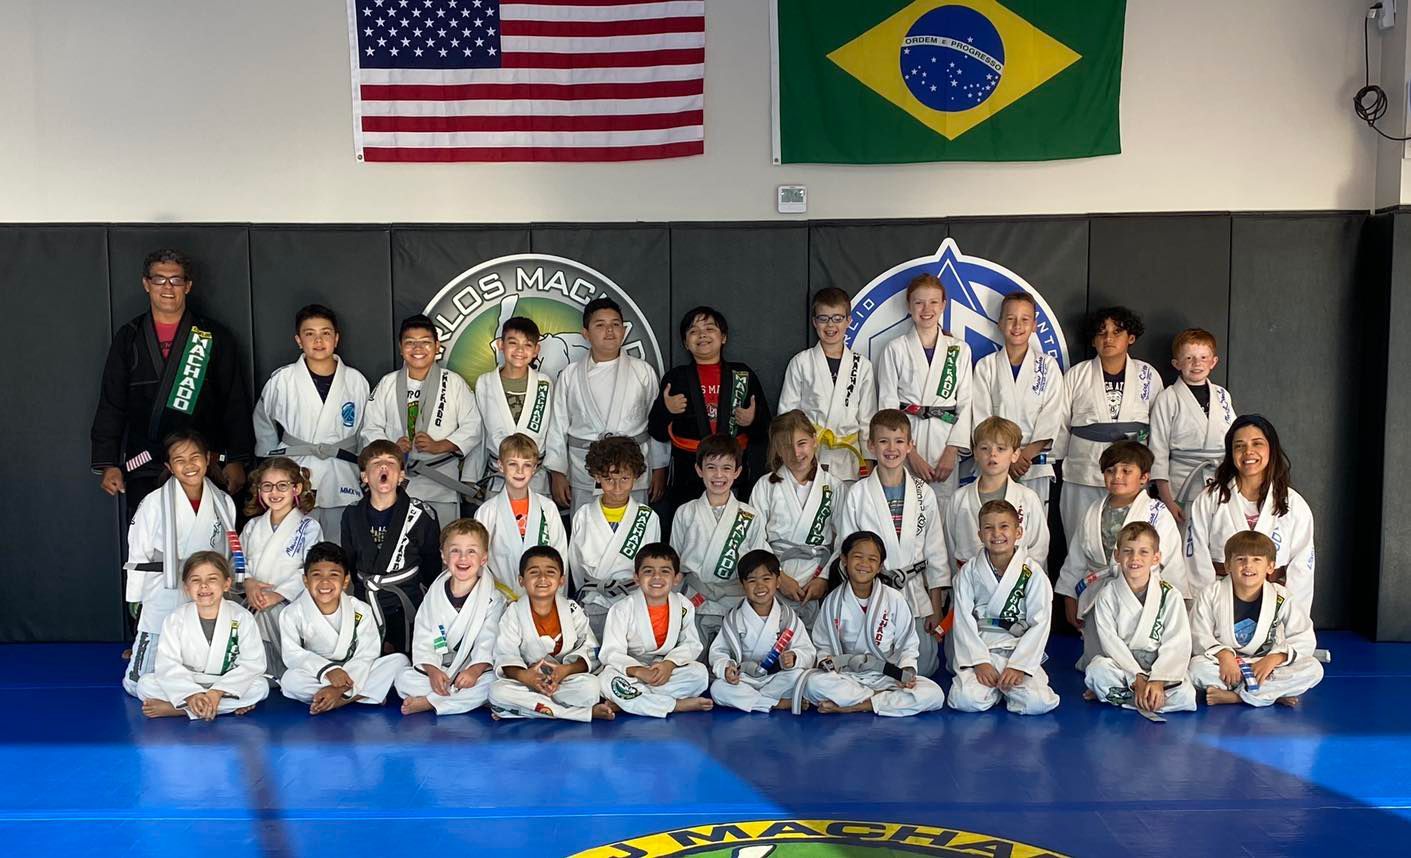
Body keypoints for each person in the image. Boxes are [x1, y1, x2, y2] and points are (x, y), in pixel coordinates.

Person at [92, 248, 253, 509]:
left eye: (176, 280)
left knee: (207, 533)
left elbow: (234, 402)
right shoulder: (129, 337)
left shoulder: (213, 336)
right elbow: (112, 403)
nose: (168, 287)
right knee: (149, 533)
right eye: (159, 279)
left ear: (187, 286)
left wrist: (237, 458)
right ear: (146, 284)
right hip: (146, 462)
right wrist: (107, 462)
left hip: (203, 462)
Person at [832, 409, 948, 677]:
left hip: (915, 594)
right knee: (872, 666)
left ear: (910, 446)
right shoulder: (858, 493)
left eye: (899, 441)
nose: (891, 448)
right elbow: (847, 550)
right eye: (883, 441)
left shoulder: (924, 493)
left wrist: (936, 608)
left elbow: (936, 554)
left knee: (923, 668)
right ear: (871, 446)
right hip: (873, 592)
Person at [122, 430, 237, 697]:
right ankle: (183, 697)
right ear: (169, 466)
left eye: (195, 457)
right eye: (179, 460)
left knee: (210, 664)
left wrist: (230, 586)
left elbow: (229, 552)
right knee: (139, 683)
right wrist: (135, 596)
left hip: (208, 588)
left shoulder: (223, 501)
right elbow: (138, 552)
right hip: (165, 584)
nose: (189, 465)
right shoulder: (153, 502)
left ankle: (191, 695)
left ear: (207, 459)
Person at [1056, 441, 1187, 670]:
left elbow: (1173, 564)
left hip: (1143, 594)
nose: (1117, 476)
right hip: (1099, 593)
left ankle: (1141, 674)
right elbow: (1076, 558)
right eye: (1110, 470)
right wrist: (1070, 597)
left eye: (1126, 471)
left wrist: (1176, 605)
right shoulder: (1092, 510)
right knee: (1099, 663)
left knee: (1145, 654)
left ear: (1144, 477)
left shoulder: (1158, 513)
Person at [253, 304, 370, 541]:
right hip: (296, 467)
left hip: (342, 471)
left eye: (325, 333)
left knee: (340, 545)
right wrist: (272, 465)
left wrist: (364, 467)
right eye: (310, 334)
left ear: (336, 338)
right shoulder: (282, 380)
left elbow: (367, 430)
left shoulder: (356, 381)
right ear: (299, 340)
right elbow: (263, 421)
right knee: (294, 544)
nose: (318, 340)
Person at [544, 297, 669, 515]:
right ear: (586, 333)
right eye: (600, 325)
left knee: (634, 527)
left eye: (615, 324)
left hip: (632, 470)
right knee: (586, 528)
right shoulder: (570, 375)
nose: (609, 331)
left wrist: (659, 469)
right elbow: (558, 426)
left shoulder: (643, 371)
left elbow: (656, 423)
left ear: (624, 330)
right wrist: (558, 473)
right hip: (585, 468)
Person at [804, 531, 946, 716]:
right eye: (858, 557)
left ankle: (856, 705)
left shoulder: (894, 599)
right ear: (844, 559)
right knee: (813, 684)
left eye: (872, 559)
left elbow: (908, 644)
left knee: (934, 694)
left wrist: (907, 670)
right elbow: (823, 645)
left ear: (880, 566)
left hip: (887, 675)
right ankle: (881, 700)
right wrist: (827, 661)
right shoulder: (832, 602)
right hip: (848, 676)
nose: (864, 564)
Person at [1184, 415, 1317, 612]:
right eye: (1239, 446)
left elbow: (1302, 566)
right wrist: (1205, 608)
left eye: (1257, 443)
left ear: (1271, 448)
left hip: (1274, 600)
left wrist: (1293, 615)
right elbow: (1196, 559)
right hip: (1220, 599)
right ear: (1231, 453)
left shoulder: (1293, 504)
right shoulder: (1209, 499)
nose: (1248, 452)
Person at [1056, 306, 1163, 543]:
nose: (1108, 338)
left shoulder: (1147, 375)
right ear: (1093, 340)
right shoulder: (1077, 374)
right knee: (1081, 538)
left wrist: (1152, 466)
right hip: (1084, 469)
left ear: (1130, 338)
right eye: (1101, 332)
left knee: (1133, 541)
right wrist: (1060, 459)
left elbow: (1159, 426)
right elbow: (1060, 422)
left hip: (1132, 469)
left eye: (1117, 332)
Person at [650, 306, 772, 514]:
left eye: (709, 329)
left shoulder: (742, 375)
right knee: (687, 523)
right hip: (688, 472)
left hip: (732, 472)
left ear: (723, 337)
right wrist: (666, 409)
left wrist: (753, 419)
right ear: (685, 343)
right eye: (693, 331)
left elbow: (764, 431)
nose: (702, 335)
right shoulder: (676, 378)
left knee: (733, 524)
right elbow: (656, 431)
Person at [364, 314, 481, 525]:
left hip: (441, 481)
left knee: (443, 541)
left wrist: (440, 445)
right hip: (396, 483)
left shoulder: (453, 383)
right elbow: (370, 427)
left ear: (437, 346)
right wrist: (391, 449)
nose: (418, 348)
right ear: (401, 348)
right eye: (410, 342)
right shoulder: (387, 383)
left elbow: (473, 426)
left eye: (425, 342)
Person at [947, 501, 1059, 715]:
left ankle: (1003, 688)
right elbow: (963, 619)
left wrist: (1019, 665)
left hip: (1017, 648)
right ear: (980, 535)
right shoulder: (969, 572)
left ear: (1018, 532)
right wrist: (979, 661)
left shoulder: (1033, 573)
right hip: (983, 647)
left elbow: (1040, 622)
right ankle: (997, 689)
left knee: (1037, 703)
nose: (996, 533)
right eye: (989, 528)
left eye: (1004, 526)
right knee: (964, 700)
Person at [1189, 531, 1323, 707]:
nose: (1248, 565)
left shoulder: (1281, 596)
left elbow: (1304, 637)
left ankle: (1236, 697)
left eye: (1256, 560)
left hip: (1265, 664)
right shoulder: (1211, 593)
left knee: (1313, 668)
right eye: (1240, 559)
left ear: (1270, 567)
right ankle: (1270, 695)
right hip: (1226, 664)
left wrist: (1274, 659)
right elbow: (1198, 634)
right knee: (1196, 668)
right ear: (1228, 566)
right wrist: (1224, 655)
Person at [876, 273, 973, 513]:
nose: (926, 309)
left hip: (944, 440)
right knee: (905, 507)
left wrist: (952, 451)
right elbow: (887, 406)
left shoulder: (959, 349)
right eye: (919, 302)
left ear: (943, 305)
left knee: (943, 509)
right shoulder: (895, 349)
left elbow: (966, 402)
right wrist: (909, 453)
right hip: (906, 440)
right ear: (909, 306)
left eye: (933, 302)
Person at [134, 552, 268, 719]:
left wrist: (217, 692)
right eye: (196, 580)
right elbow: (167, 663)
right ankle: (218, 706)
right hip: (189, 680)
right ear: (186, 587)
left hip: (225, 682)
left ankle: (181, 710)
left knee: (260, 687)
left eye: (212, 579)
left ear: (226, 584)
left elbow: (252, 663)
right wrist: (191, 694)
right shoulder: (176, 618)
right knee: (145, 684)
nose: (204, 586)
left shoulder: (242, 617)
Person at [278, 542, 409, 712]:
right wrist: (329, 670)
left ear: (345, 580)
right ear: (305, 580)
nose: (325, 582)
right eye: (317, 575)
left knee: (399, 661)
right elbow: (293, 655)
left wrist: (339, 688)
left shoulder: (361, 610)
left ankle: (337, 699)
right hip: (319, 674)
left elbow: (367, 654)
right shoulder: (292, 613)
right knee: (290, 680)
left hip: (354, 672)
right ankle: (361, 695)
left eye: (333, 575)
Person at [489, 546, 615, 722]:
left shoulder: (572, 610)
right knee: (498, 691)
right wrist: (527, 677)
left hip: (563, 681)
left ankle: (522, 709)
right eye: (534, 572)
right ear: (521, 580)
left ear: (561, 580)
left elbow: (590, 649)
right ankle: (580, 714)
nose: (542, 578)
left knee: (591, 687)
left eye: (550, 572)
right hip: (528, 681)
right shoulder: (514, 612)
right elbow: (505, 654)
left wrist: (565, 670)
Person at [1084, 522, 1197, 715]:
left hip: (1158, 667)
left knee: (1186, 695)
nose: (1135, 558)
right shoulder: (1107, 595)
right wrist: (1136, 677)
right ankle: (1147, 698)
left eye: (1144, 552)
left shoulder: (1170, 595)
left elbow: (1177, 641)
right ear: (1117, 555)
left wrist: (1158, 679)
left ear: (1156, 558)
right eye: (1127, 551)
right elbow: (1110, 642)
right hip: (1124, 666)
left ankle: (1121, 696)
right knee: (1097, 671)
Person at [670, 433, 770, 650]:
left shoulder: (750, 515)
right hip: (696, 599)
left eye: (726, 468)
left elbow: (759, 563)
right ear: (699, 470)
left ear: (737, 472)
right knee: (692, 659)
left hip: (736, 603)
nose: (718, 475)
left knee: (732, 661)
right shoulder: (685, 512)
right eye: (711, 467)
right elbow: (674, 563)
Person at [395, 518, 505, 715]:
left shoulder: (493, 599)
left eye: (471, 551)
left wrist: (474, 671)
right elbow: (423, 636)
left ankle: (431, 702)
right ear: (443, 556)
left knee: (492, 683)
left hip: (472, 670)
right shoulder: (433, 595)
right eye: (455, 550)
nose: (463, 558)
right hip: (440, 667)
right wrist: (432, 670)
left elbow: (488, 640)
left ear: (484, 558)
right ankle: (458, 699)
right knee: (403, 678)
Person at [341, 440, 442, 655]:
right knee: (368, 659)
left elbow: (431, 564)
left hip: (407, 601)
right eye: (376, 462)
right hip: (366, 601)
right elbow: (349, 561)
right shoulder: (351, 514)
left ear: (401, 475)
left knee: (407, 658)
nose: (384, 467)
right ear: (364, 476)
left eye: (391, 462)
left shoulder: (421, 514)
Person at [748, 410, 845, 625]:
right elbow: (754, 536)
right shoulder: (765, 486)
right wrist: (779, 577)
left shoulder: (834, 486)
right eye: (786, 446)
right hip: (774, 579)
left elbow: (844, 539)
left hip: (816, 577)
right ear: (777, 450)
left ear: (814, 440)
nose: (796, 453)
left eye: (802, 443)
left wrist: (824, 578)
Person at [971, 290, 1066, 507]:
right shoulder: (987, 366)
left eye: (1025, 320)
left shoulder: (1048, 366)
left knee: (1032, 519)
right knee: (992, 520)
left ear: (1034, 325)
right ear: (1000, 323)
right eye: (1010, 319)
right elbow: (981, 416)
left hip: (1032, 462)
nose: (1017, 326)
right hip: (994, 460)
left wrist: (1024, 455)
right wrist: (1005, 456)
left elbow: (1052, 414)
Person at [599, 543, 714, 717]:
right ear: (636, 577)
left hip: (665, 671)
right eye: (648, 571)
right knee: (606, 679)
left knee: (699, 674)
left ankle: (629, 700)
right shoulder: (622, 609)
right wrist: (639, 671)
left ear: (677, 578)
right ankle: (674, 705)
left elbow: (691, 644)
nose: (656, 577)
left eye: (665, 571)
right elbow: (611, 652)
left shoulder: (683, 605)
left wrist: (669, 664)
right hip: (631, 671)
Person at [567, 436, 661, 640]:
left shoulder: (647, 517)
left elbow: (652, 565)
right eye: (609, 479)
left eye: (624, 479)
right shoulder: (583, 515)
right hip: (594, 600)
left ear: (635, 476)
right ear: (597, 476)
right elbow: (574, 566)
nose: (617, 487)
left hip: (633, 601)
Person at [778, 288, 876, 482]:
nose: (830, 325)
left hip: (849, 461)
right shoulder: (801, 362)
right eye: (823, 318)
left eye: (838, 318)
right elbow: (787, 415)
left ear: (849, 321)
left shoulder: (862, 365)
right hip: (809, 457)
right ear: (814, 322)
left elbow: (867, 419)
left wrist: (868, 460)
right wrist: (793, 454)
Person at [239, 456, 322, 675]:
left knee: (289, 666)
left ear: (297, 488)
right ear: (259, 490)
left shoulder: (309, 527)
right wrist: (248, 582)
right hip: (254, 601)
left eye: (282, 486)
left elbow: (311, 570)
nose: (274, 492)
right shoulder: (252, 526)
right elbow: (237, 560)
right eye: (267, 486)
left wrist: (279, 594)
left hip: (289, 606)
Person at [709, 550, 817, 713]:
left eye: (766, 579)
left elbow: (807, 650)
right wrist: (726, 667)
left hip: (776, 677)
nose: (760, 586)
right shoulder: (734, 619)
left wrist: (795, 657)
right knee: (718, 689)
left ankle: (756, 701)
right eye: (752, 580)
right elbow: (719, 652)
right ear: (742, 584)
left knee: (799, 676)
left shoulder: (787, 617)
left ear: (778, 581)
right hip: (744, 679)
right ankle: (778, 703)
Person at [1148, 328, 1235, 525]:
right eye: (1189, 358)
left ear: (1213, 362)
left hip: (1221, 481)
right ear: (1176, 364)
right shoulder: (1168, 398)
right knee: (1185, 538)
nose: (1197, 363)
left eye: (1203, 357)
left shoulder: (1222, 395)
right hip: (1182, 486)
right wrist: (1167, 500)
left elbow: (1234, 438)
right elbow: (1158, 451)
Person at [943, 416, 1049, 578]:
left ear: (1015, 454)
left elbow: (1039, 547)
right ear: (975, 453)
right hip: (970, 584)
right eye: (985, 448)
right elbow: (949, 546)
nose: (992, 454)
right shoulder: (959, 499)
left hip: (1018, 585)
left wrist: (1022, 582)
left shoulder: (1028, 498)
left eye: (1001, 449)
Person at [474, 434, 569, 601]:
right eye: (512, 464)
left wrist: (555, 599)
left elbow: (559, 556)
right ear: (500, 466)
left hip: (543, 598)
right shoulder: (487, 511)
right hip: (500, 599)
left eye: (527, 465)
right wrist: (491, 599)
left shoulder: (548, 508)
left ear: (535, 468)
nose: (520, 471)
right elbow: (478, 560)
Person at [470, 315, 552, 497]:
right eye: (513, 343)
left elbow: (553, 431)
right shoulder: (485, 382)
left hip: (535, 479)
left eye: (527, 345)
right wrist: (471, 476)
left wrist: (558, 473)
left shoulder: (544, 383)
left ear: (536, 350)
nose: (520, 350)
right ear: (501, 345)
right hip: (498, 477)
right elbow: (479, 432)